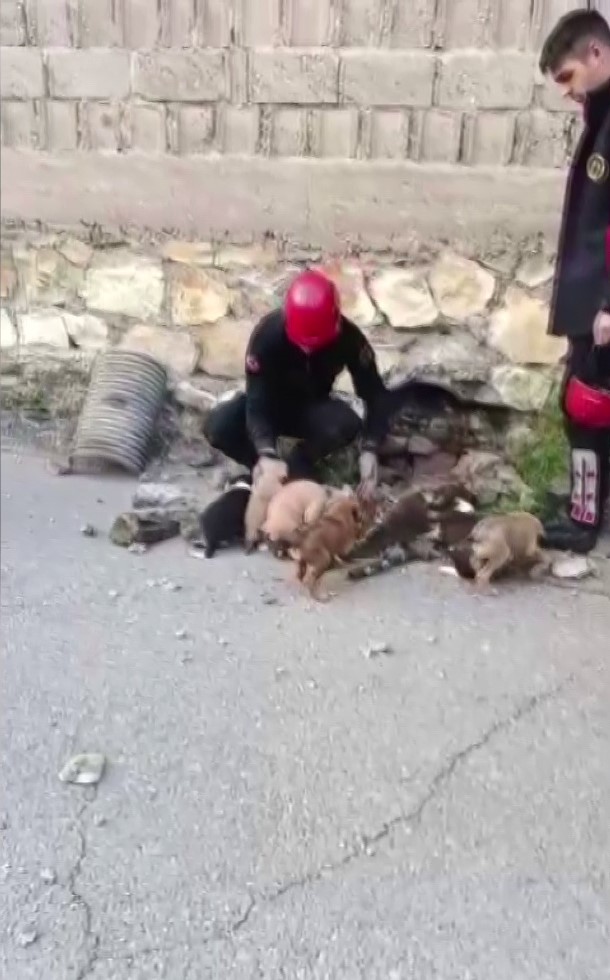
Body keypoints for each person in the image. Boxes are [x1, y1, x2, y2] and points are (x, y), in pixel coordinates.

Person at [204, 269, 455, 499]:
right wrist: (265, 452)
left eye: (316, 343)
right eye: (302, 343)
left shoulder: (350, 338)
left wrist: (370, 448)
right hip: (271, 406)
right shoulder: (267, 336)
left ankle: (299, 462)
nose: (308, 349)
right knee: (218, 426)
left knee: (346, 423)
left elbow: (375, 395)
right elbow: (257, 402)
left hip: (311, 409)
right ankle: (262, 469)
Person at [538, 8, 610, 554]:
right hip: (592, 298)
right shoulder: (601, 116)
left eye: (568, 75)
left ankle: (584, 523)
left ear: (597, 53)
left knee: (584, 405)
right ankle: (588, 508)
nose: (566, 90)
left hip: (602, 302)